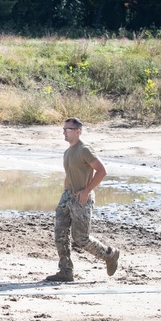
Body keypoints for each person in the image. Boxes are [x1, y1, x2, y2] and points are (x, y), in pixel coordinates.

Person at [46, 118, 120, 283]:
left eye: (68, 129)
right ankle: (65, 271)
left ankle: (110, 255)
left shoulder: (84, 149)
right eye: (64, 129)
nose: (64, 132)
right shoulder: (68, 151)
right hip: (68, 196)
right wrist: (65, 192)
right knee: (60, 234)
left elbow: (102, 171)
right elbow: (69, 175)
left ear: (78, 131)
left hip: (82, 198)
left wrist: (87, 191)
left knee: (81, 238)